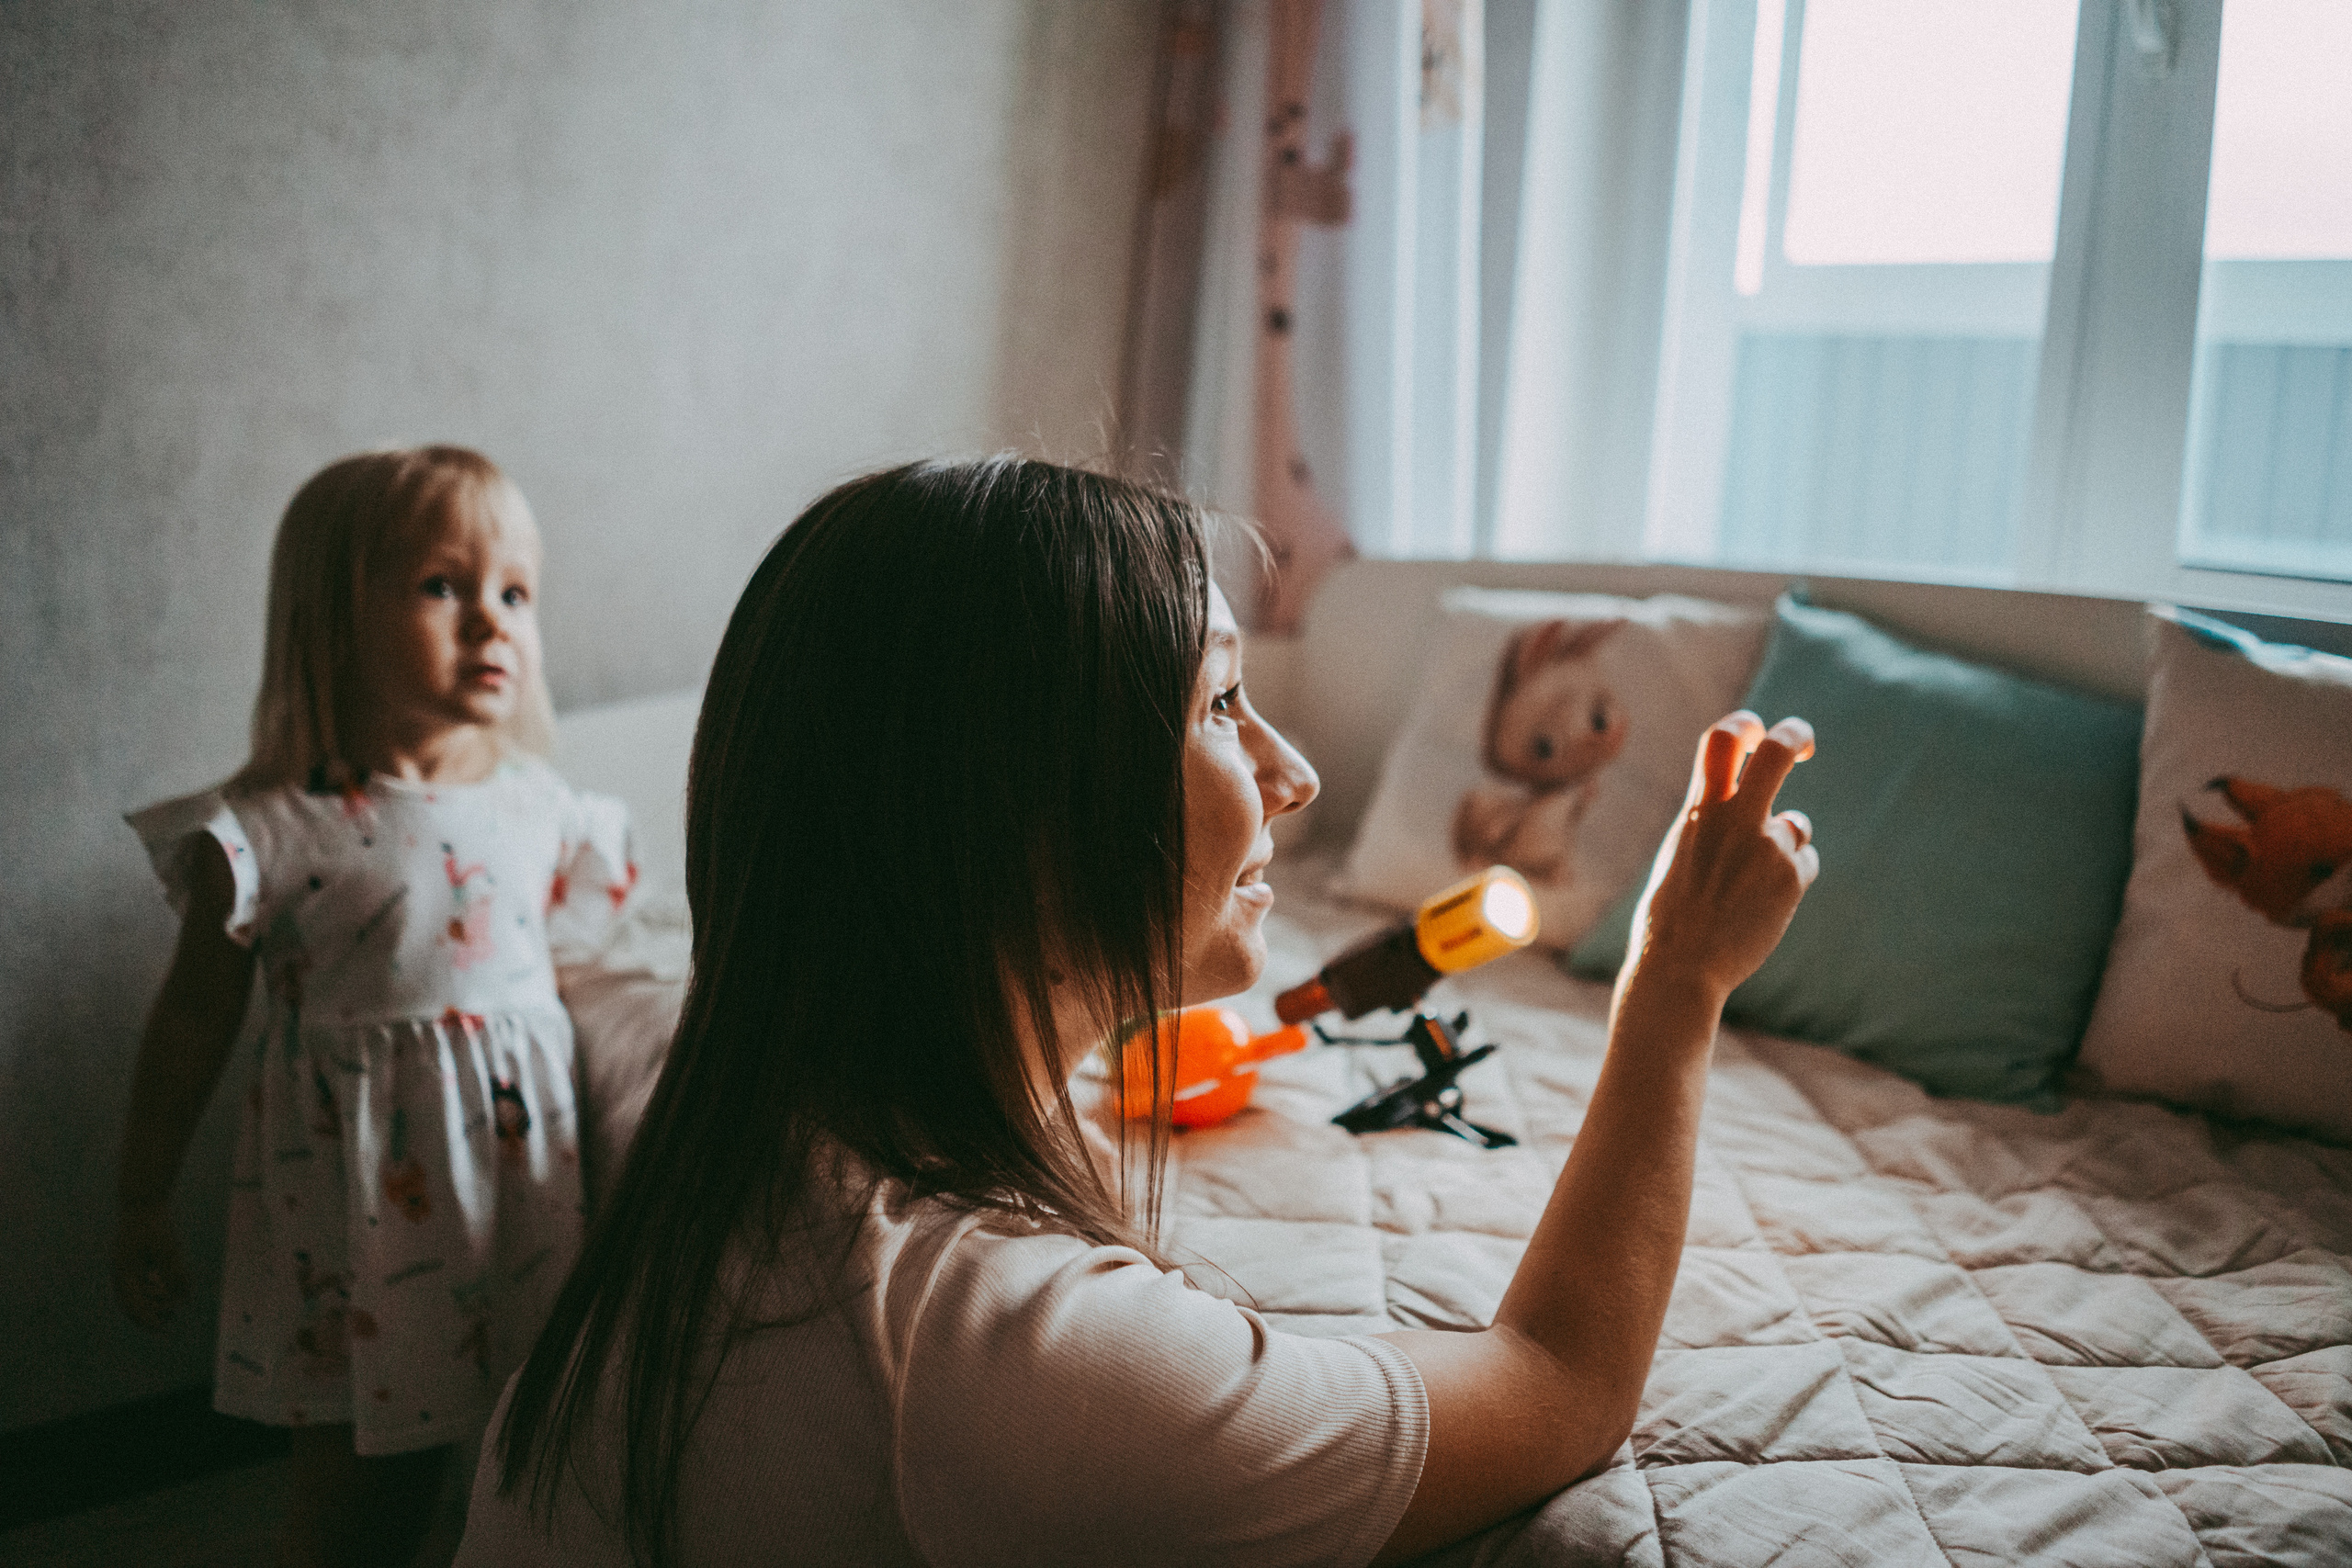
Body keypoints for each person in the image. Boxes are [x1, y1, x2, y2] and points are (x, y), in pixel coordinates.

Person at [459, 457, 1817, 1568]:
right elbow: (1560, 1380)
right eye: (1224, 701)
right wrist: (1677, 982)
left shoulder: (746, 1108)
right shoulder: (1019, 1352)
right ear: (1017, 807)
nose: (1290, 772)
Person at [113, 446, 637, 1568]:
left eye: (515, 593)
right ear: (329, 619)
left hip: (518, 1210)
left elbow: (565, 976)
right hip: (359, 1239)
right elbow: (193, 1023)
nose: (492, 624)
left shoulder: (548, 810)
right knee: (362, 1502)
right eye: (443, 587)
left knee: (530, 1459)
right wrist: (142, 1194)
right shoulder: (266, 835)